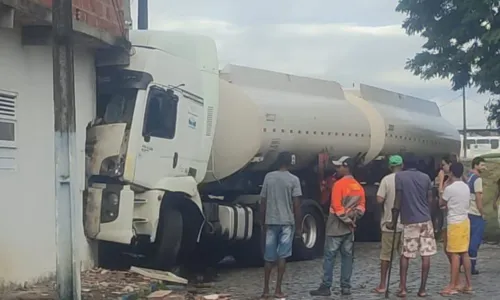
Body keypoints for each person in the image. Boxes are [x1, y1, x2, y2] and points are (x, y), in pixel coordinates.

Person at [310, 156, 366, 297]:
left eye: (339, 166)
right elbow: (362, 207)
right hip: (349, 230)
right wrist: (353, 219)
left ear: (346, 167)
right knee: (347, 258)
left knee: (330, 257)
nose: (337, 169)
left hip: (336, 228)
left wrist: (346, 220)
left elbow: (336, 207)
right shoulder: (358, 186)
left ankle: (326, 286)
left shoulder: (338, 185)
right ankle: (345, 287)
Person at [388, 153, 436, 298]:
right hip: (425, 220)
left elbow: (398, 200)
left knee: (405, 255)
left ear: (404, 165)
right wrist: (431, 218)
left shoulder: (400, 177)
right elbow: (430, 200)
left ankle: (402, 288)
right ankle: (422, 289)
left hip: (409, 221)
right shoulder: (425, 177)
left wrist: (393, 220)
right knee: (426, 255)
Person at [259, 151, 302, 299]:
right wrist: (299, 226)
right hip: (286, 223)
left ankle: (265, 289)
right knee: (282, 256)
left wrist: (262, 220)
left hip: (271, 221)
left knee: (268, 257)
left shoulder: (268, 177)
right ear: (290, 163)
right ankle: (278, 289)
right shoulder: (293, 180)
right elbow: (296, 204)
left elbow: (263, 201)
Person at [439, 162, 473, 296]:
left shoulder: (450, 188)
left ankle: (453, 285)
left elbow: (441, 202)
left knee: (454, 254)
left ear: (451, 173)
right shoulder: (466, 187)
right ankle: (468, 284)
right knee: (464, 253)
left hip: (454, 222)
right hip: (465, 221)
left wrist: (444, 183)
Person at [372, 155, 404, 294]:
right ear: (402, 165)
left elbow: (379, 200)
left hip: (389, 223)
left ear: (390, 166)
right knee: (404, 256)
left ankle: (383, 284)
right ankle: (402, 285)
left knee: (385, 256)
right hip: (405, 224)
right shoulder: (406, 179)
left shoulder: (386, 180)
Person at [466, 156, 487, 275]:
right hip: (475, 212)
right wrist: (482, 212)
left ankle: (463, 264)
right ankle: (472, 267)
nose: (484, 167)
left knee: (467, 239)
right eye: (482, 165)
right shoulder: (477, 179)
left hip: (467, 212)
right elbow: (478, 197)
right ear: (476, 165)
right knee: (475, 240)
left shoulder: (469, 177)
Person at [436, 155, 457, 262]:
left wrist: (441, 184)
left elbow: (442, 197)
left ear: (450, 165)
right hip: (447, 212)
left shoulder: (450, 180)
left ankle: (455, 263)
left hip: (450, 212)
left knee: (449, 243)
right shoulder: (447, 178)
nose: (442, 167)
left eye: (444, 165)